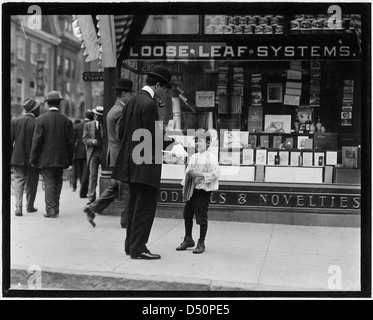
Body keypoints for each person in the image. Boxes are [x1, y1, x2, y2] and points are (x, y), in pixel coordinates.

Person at [112, 65, 172, 260]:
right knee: (145, 208)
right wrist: (170, 143)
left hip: (131, 164)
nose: (164, 93)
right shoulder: (149, 104)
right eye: (164, 89)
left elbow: (121, 133)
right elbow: (153, 138)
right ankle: (139, 248)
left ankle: (131, 246)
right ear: (158, 85)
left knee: (133, 206)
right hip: (146, 165)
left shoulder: (131, 102)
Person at [84, 78, 134, 228]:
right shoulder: (120, 111)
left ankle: (93, 208)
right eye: (130, 94)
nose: (131, 96)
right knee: (125, 190)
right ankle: (126, 222)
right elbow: (121, 135)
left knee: (115, 187)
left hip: (113, 155)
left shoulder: (113, 109)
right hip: (120, 156)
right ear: (124, 94)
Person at [30, 91, 75, 218]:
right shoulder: (67, 121)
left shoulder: (41, 120)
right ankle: (56, 207)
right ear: (59, 104)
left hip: (46, 159)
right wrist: (70, 161)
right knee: (58, 182)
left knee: (49, 182)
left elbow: (36, 141)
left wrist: (33, 159)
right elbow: (71, 144)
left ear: (48, 104)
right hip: (61, 159)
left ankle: (50, 210)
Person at [176, 129, 219, 254]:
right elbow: (187, 173)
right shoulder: (193, 157)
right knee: (187, 214)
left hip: (203, 191)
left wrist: (199, 174)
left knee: (201, 217)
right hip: (192, 190)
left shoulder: (212, 157)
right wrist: (184, 186)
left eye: (199, 141)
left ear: (207, 143)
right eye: (196, 142)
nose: (197, 144)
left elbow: (215, 175)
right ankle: (188, 238)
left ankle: (201, 242)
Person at [11, 98, 41, 216]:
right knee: (32, 182)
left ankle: (18, 207)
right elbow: (39, 142)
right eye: (38, 108)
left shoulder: (15, 121)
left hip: (17, 157)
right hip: (33, 158)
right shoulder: (37, 122)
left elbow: (9, 141)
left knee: (18, 180)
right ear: (34, 110)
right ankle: (30, 206)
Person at [82, 106, 104, 205]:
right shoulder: (88, 125)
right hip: (93, 153)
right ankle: (91, 197)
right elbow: (84, 139)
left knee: (104, 175)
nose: (99, 118)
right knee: (93, 175)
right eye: (98, 116)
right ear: (95, 116)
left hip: (103, 152)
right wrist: (92, 141)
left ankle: (103, 197)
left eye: (101, 116)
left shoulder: (105, 125)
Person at [79, 110, 94, 198]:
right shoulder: (91, 125)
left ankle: (80, 189)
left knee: (79, 172)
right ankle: (83, 191)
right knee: (86, 172)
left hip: (78, 153)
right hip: (88, 152)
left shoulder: (78, 125)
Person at [71, 119, 82, 192]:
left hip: (74, 153)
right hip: (79, 153)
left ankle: (74, 186)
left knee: (74, 170)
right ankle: (81, 185)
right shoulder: (79, 128)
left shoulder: (73, 129)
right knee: (80, 170)